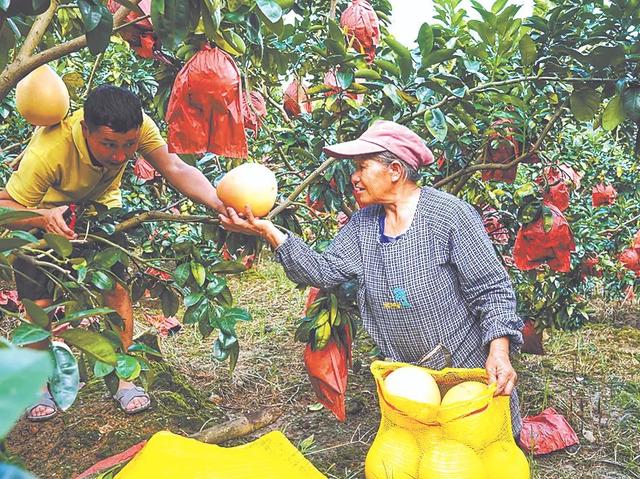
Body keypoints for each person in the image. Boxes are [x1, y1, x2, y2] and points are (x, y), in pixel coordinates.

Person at [220, 120, 524, 435]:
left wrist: (499, 351)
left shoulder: (448, 216)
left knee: (478, 449)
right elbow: (325, 271)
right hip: (408, 376)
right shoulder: (365, 224)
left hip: (468, 371)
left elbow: (491, 290)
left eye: (362, 167)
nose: (354, 177)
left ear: (395, 170)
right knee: (424, 456)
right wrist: (270, 232)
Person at [0, 85, 227, 421]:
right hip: (40, 215)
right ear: (85, 129)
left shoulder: (139, 127)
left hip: (99, 212)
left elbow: (176, 169)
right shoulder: (50, 150)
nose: (121, 156)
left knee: (115, 289)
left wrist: (220, 204)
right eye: (109, 144)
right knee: (40, 304)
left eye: (129, 146)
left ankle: (123, 378)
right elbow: (5, 206)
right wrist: (43, 218)